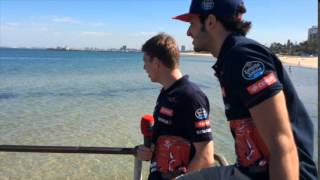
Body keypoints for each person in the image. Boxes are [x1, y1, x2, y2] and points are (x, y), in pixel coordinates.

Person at [172, 0, 318, 180]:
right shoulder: (230, 57)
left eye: (192, 24)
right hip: (250, 171)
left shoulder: (243, 57)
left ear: (210, 21)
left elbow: (282, 144)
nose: (188, 32)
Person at [137, 33, 214, 180]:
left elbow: (205, 156)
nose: (144, 67)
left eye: (146, 61)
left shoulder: (191, 97)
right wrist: (150, 151)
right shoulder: (166, 93)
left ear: (157, 63)